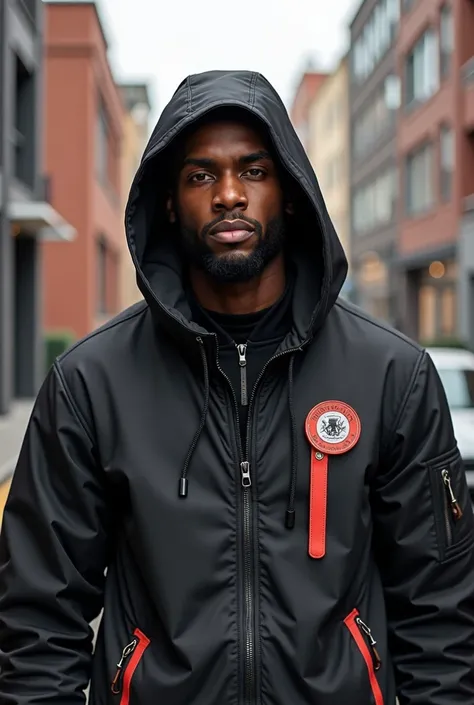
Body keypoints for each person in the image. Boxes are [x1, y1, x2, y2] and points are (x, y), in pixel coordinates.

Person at [0, 70, 473, 705]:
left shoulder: (393, 376)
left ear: (292, 192)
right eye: (201, 176)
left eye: (253, 171)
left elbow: (439, 614)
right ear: (169, 202)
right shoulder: (90, 384)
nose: (229, 194)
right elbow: (38, 620)